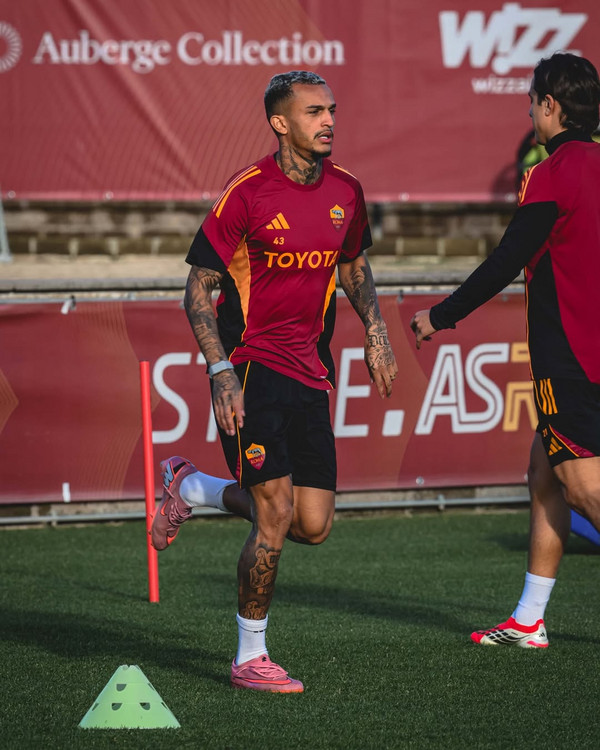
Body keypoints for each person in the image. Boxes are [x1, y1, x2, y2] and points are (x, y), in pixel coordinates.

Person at [151, 70, 398, 690]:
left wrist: (376, 331)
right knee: (275, 512)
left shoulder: (347, 190)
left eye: (331, 109)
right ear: (280, 123)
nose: (329, 120)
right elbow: (198, 288)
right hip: (250, 367)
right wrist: (220, 371)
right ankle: (249, 658)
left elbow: (353, 264)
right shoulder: (248, 192)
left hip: (311, 370)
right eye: (314, 112)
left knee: (311, 523)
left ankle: (191, 487)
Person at [410, 52, 600, 649]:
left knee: (582, 488)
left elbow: (505, 262)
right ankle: (528, 619)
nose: (528, 113)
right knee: (545, 473)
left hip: (571, 358)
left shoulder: (552, 172)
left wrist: (439, 316)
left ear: (551, 105)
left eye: (532, 102)